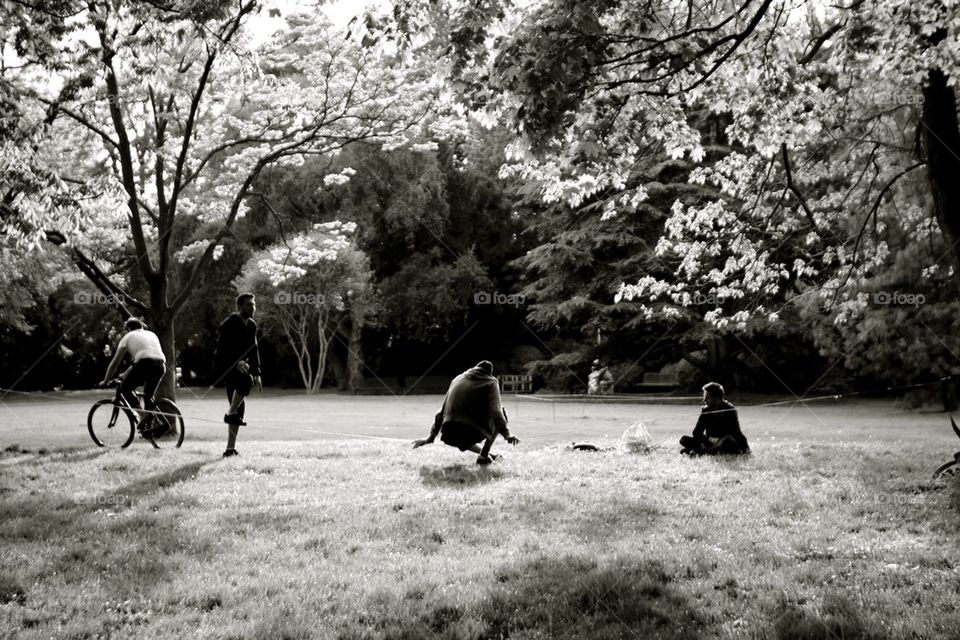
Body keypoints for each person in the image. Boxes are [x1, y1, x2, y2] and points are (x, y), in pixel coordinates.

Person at [412, 360, 519, 464]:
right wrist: (507, 434)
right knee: (502, 411)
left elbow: (440, 412)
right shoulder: (491, 381)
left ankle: (487, 455)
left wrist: (430, 437)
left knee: (461, 429)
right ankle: (484, 455)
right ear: (489, 373)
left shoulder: (457, 379)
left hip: (449, 433)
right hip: (470, 431)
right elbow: (496, 411)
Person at [213, 293, 262, 457]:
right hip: (226, 367)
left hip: (242, 368)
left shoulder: (252, 325)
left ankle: (229, 449)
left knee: (239, 411)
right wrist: (236, 363)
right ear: (239, 306)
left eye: (253, 304)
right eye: (249, 304)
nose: (252, 307)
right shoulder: (229, 324)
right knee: (246, 382)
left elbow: (253, 349)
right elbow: (221, 351)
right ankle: (230, 413)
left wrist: (258, 373)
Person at [100, 317, 167, 435]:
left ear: (128, 329)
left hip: (144, 364)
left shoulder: (128, 337)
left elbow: (115, 363)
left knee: (124, 389)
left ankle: (142, 415)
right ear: (141, 327)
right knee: (148, 396)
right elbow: (140, 359)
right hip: (160, 365)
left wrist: (106, 380)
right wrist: (124, 375)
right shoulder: (151, 334)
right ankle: (153, 425)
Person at [680, 382, 750, 455]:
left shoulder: (730, 410)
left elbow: (737, 434)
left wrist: (747, 452)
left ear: (718, 398)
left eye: (708, 397)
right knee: (684, 439)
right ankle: (705, 451)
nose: (704, 400)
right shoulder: (706, 410)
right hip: (710, 441)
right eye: (705, 397)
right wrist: (710, 439)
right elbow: (696, 432)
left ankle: (702, 452)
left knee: (727, 442)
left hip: (725, 443)